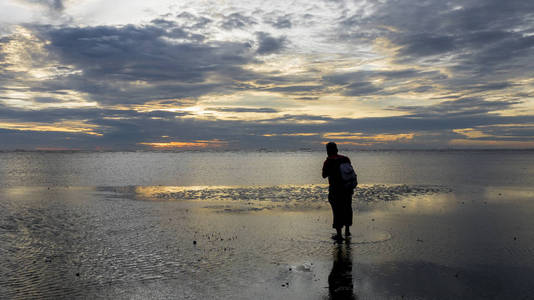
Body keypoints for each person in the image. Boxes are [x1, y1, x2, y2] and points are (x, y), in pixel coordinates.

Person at [322, 142, 354, 240]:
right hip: (348, 188)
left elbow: (324, 175)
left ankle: (339, 235)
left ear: (328, 151)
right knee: (347, 208)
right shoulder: (346, 159)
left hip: (335, 190)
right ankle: (347, 231)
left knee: (337, 211)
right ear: (337, 149)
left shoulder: (328, 161)